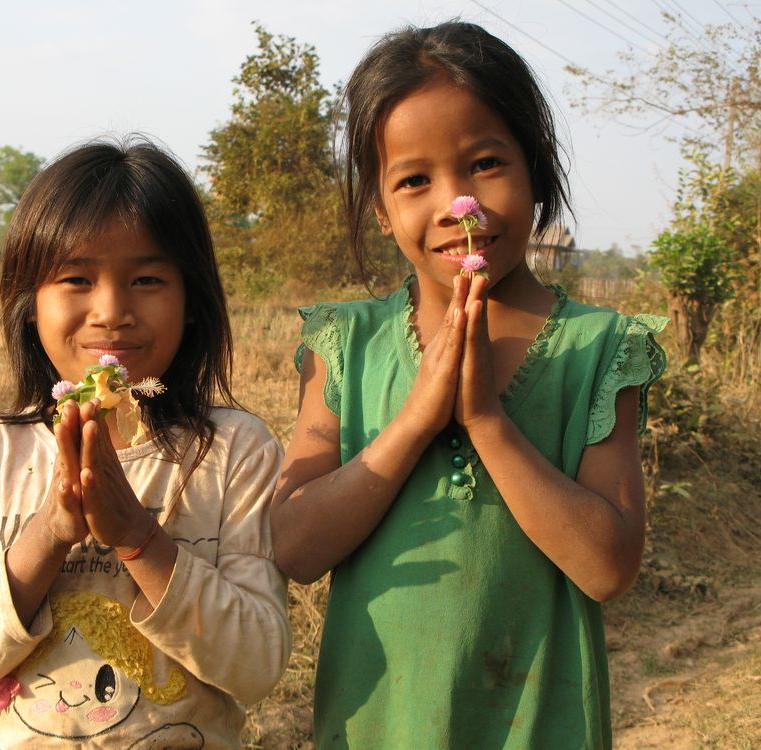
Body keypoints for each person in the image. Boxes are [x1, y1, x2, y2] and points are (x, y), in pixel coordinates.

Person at [270, 22, 667, 749]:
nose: (460, 206)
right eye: (415, 180)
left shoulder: (600, 349)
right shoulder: (345, 346)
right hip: (376, 728)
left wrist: (485, 419)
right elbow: (294, 548)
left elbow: (608, 567)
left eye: (486, 164)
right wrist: (415, 420)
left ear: (537, 172)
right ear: (382, 212)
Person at [0, 138, 291, 749]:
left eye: (146, 278)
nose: (112, 311)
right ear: (29, 305)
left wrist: (140, 537)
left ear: (191, 301)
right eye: (76, 278)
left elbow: (257, 665)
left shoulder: (233, 453)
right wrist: (52, 530)